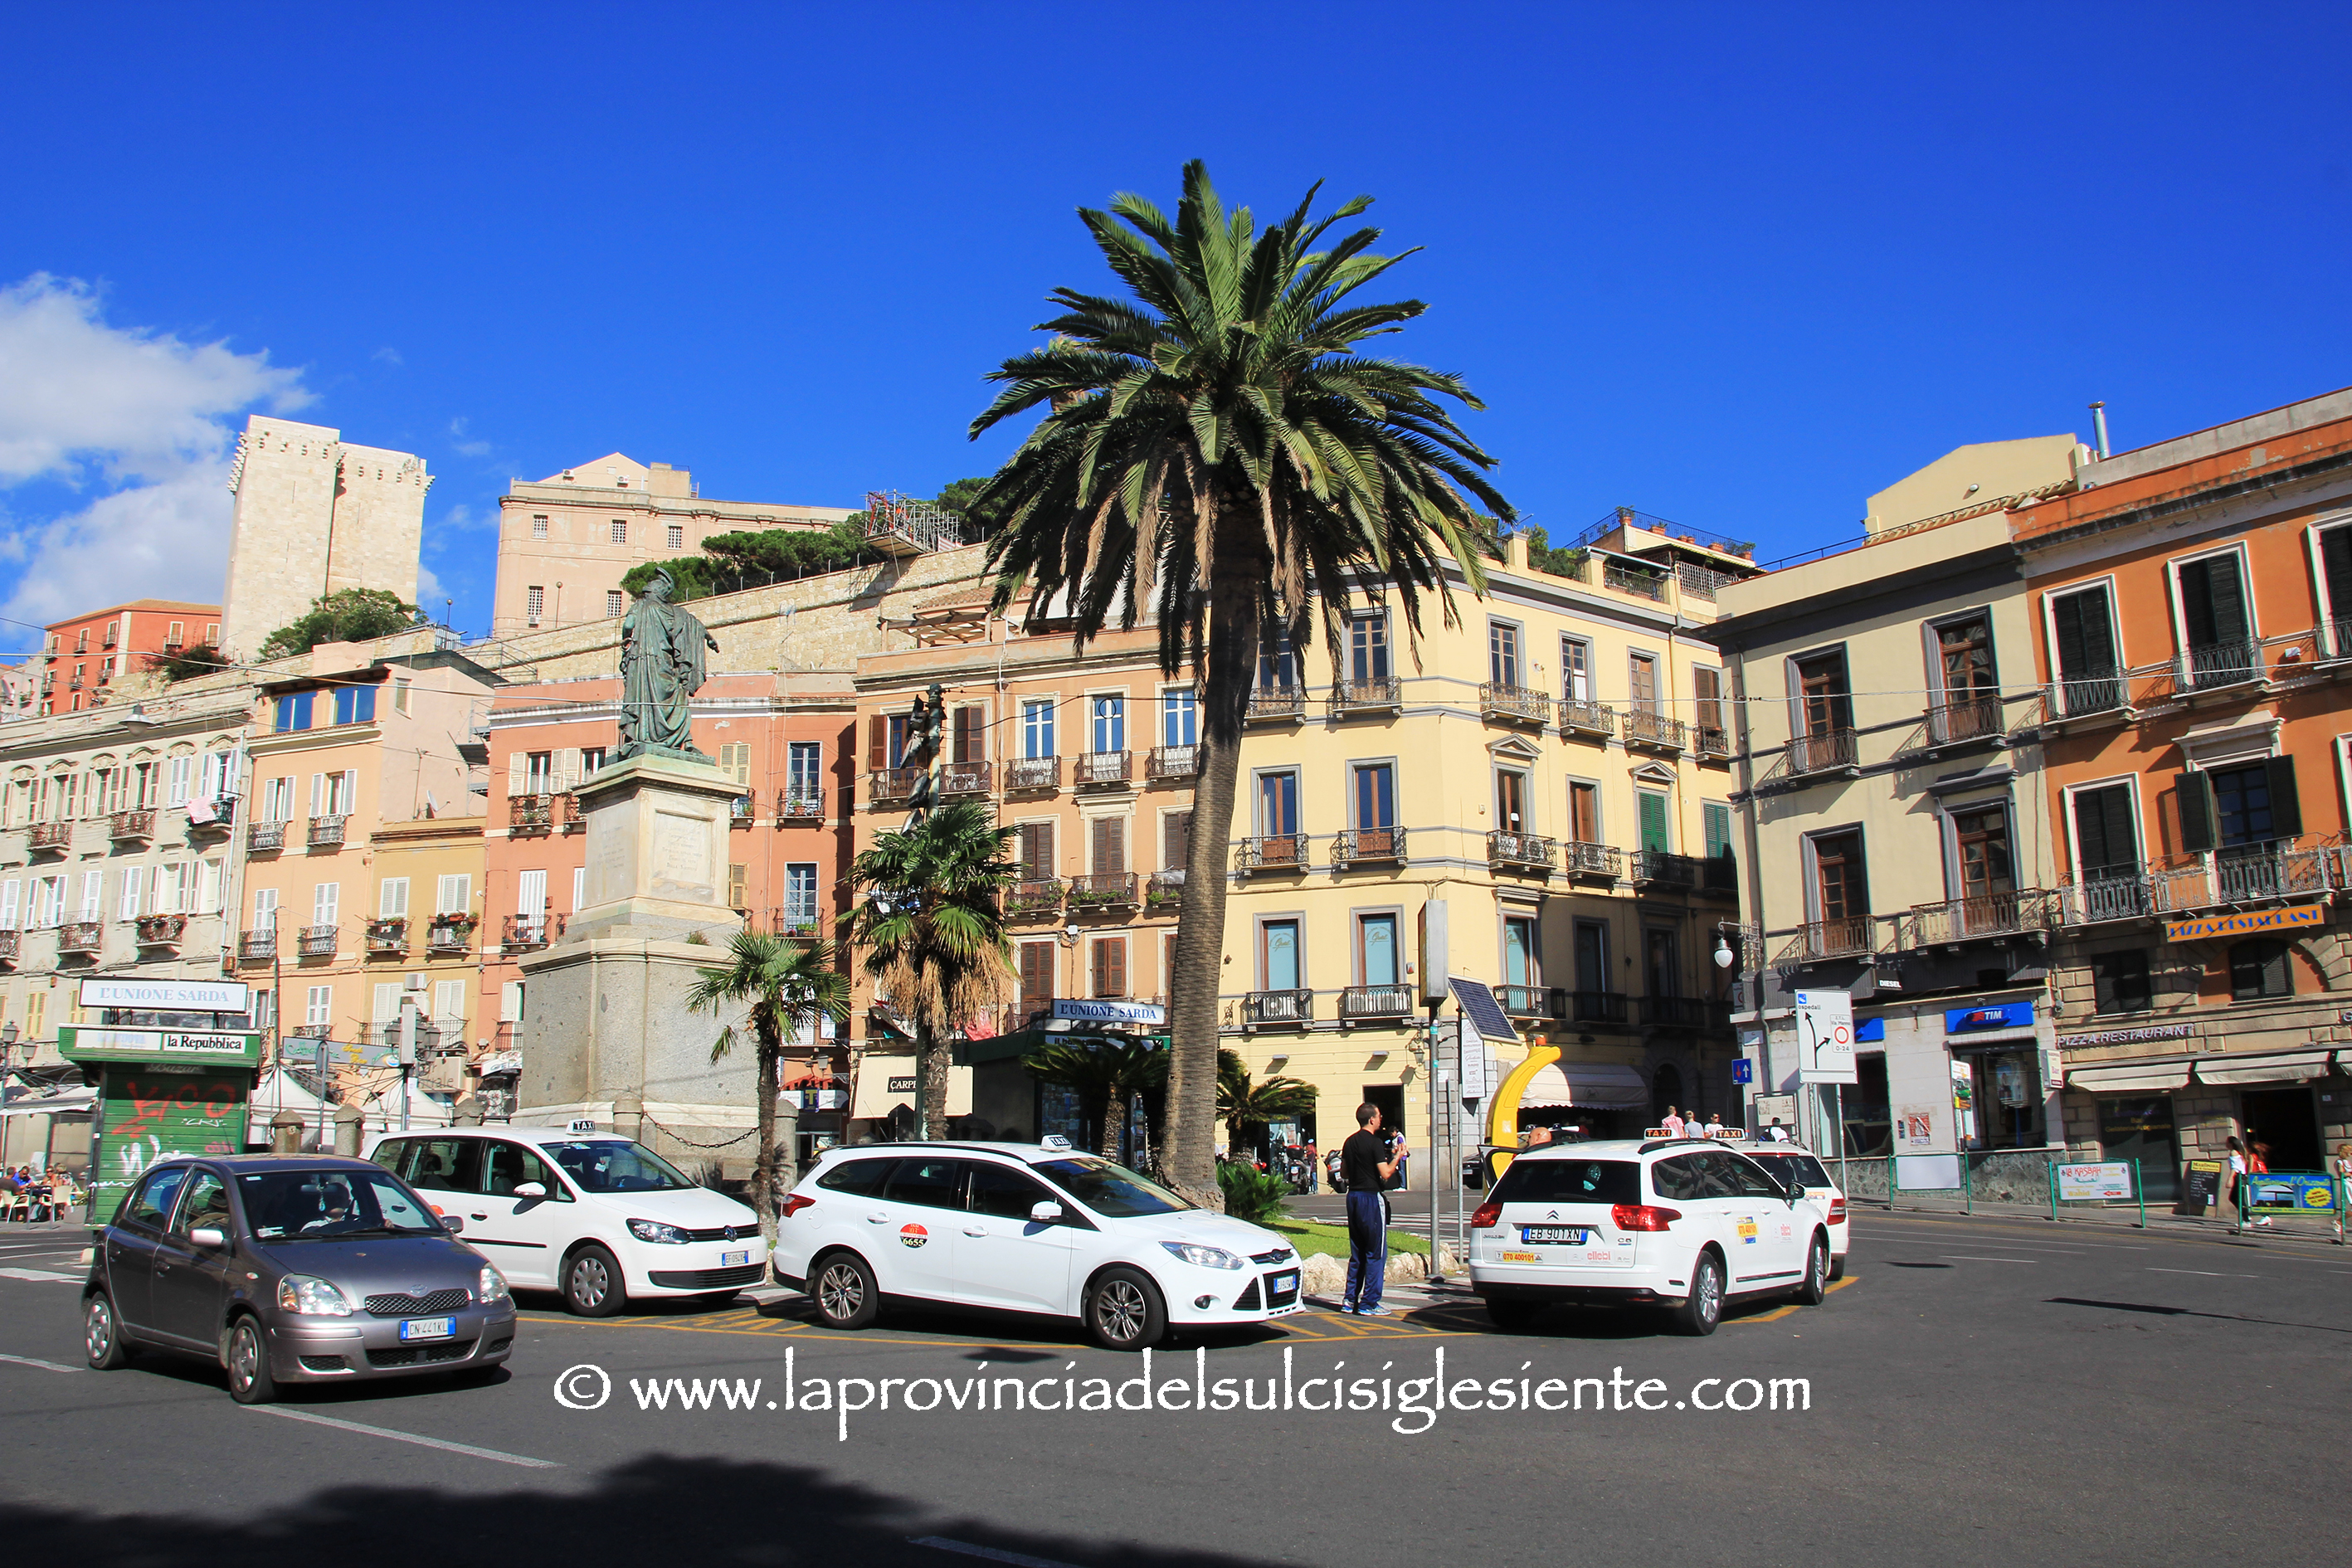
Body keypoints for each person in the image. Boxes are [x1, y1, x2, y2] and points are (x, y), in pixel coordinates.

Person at [1341, 1103, 1399, 1317]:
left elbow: (1344, 1173)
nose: (1381, 1119)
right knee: (1376, 1253)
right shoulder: (1375, 1143)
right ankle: (1369, 1302)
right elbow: (1385, 1173)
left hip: (1353, 1197)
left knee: (1357, 1252)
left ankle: (1349, 1299)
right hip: (1371, 1198)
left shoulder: (1349, 1142)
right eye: (1379, 1116)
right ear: (1372, 1119)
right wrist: (1397, 1157)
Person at [2224, 1137, 2248, 1233]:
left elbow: (2235, 1168)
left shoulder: (2234, 1152)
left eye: (2227, 1142)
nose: (2226, 1144)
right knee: (2237, 1198)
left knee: (2237, 1198)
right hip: (2242, 1176)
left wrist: (2230, 1179)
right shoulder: (2240, 1152)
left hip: (2238, 1176)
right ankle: (2245, 1217)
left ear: (2231, 1144)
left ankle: (2246, 1219)